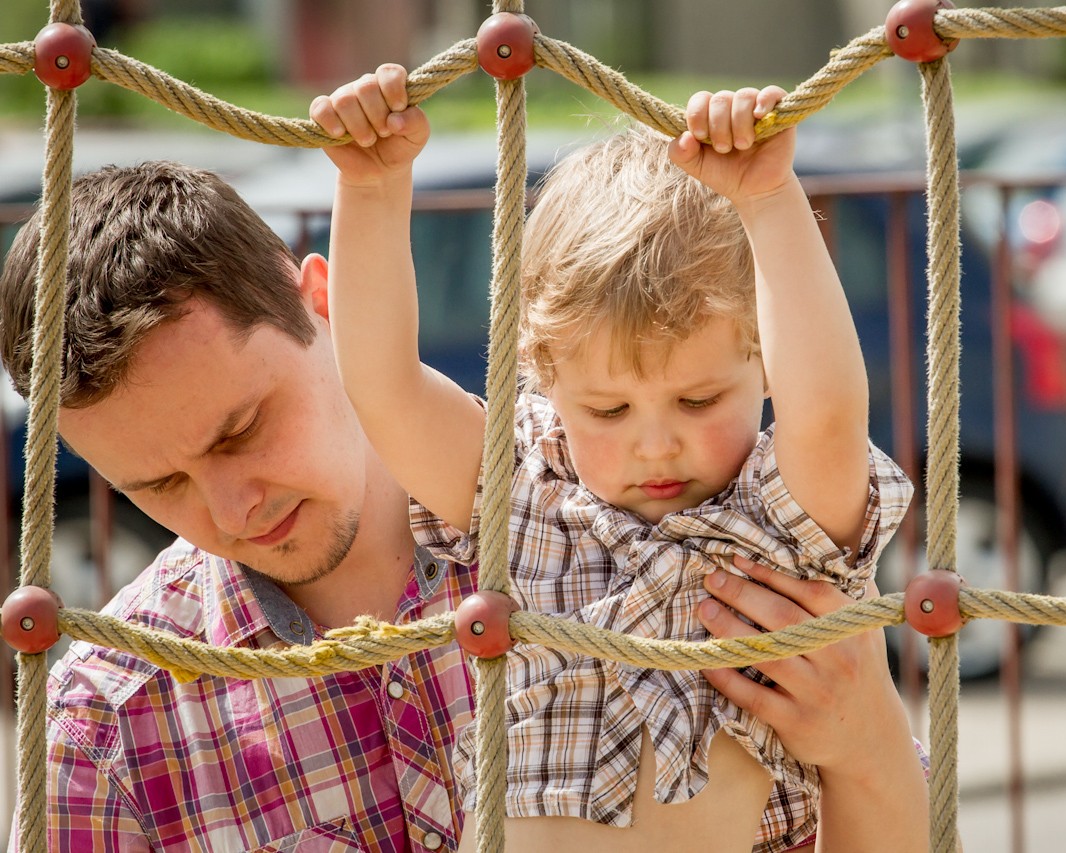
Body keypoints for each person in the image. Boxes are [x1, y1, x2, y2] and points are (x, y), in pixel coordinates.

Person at [0, 162, 923, 851]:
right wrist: (373, 181)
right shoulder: (108, 722)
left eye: (242, 429)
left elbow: (828, 416)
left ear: (320, 303)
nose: (232, 507)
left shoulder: (553, 498)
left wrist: (875, 744)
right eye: (155, 486)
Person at [310, 64, 929, 853]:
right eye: (608, 410)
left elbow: (831, 412)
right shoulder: (525, 488)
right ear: (544, 376)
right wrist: (371, 186)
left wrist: (769, 200)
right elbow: (384, 387)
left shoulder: (775, 524)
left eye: (699, 400)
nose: (655, 441)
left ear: (764, 362)